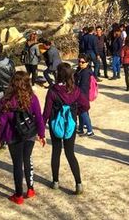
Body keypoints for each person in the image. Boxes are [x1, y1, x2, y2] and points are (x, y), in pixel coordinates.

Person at [0, 71, 46, 205]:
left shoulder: (6, 100)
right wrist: (41, 134)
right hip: (29, 133)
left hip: (12, 135)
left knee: (17, 164)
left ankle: (18, 195)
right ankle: (30, 189)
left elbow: (2, 122)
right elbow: (39, 117)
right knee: (27, 159)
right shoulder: (32, 98)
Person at [43, 63, 86, 195]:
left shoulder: (52, 91)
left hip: (55, 123)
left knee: (56, 151)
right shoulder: (76, 90)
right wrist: (75, 113)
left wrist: (40, 128)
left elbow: (46, 111)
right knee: (70, 153)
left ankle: (55, 181)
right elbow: (86, 105)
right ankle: (78, 183)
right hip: (70, 124)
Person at [75, 54, 95, 136]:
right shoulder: (81, 70)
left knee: (83, 112)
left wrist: (77, 94)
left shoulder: (86, 72)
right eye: (79, 61)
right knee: (81, 112)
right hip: (81, 95)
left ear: (87, 63)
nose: (80, 63)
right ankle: (80, 128)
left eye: (82, 62)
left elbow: (83, 86)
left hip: (82, 95)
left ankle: (90, 130)